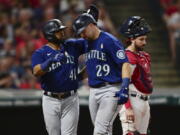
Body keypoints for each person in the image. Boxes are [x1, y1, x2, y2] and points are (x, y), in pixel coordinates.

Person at [72, 10, 131, 135]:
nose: (82, 35)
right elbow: (92, 65)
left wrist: (125, 87)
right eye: (80, 33)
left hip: (111, 90)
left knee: (99, 131)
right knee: (104, 130)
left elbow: (125, 63)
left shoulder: (110, 40)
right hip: (93, 90)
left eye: (83, 31)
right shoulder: (87, 42)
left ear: (91, 25)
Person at [31, 19, 85, 135]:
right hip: (50, 99)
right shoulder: (41, 53)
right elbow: (36, 71)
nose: (62, 33)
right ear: (50, 35)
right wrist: (49, 62)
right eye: (58, 31)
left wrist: (90, 22)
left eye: (62, 30)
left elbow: (90, 41)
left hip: (71, 98)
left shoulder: (70, 46)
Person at [118, 16, 153, 135]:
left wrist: (145, 107)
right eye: (141, 39)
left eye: (145, 39)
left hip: (144, 101)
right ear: (132, 39)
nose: (145, 42)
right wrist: (127, 108)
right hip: (132, 101)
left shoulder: (144, 56)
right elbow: (123, 84)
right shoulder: (128, 57)